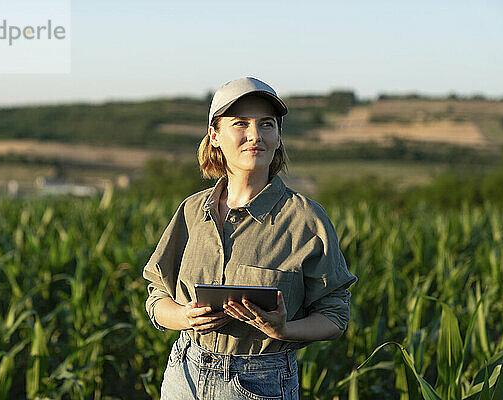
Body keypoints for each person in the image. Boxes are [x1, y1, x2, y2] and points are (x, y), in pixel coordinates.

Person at [142, 77, 357, 399]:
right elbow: (157, 297)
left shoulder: (305, 219)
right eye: (240, 123)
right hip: (183, 372)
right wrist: (184, 317)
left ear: (278, 136)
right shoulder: (190, 211)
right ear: (214, 135)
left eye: (266, 125)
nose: (255, 135)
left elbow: (335, 316)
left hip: (261, 381)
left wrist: (284, 329)